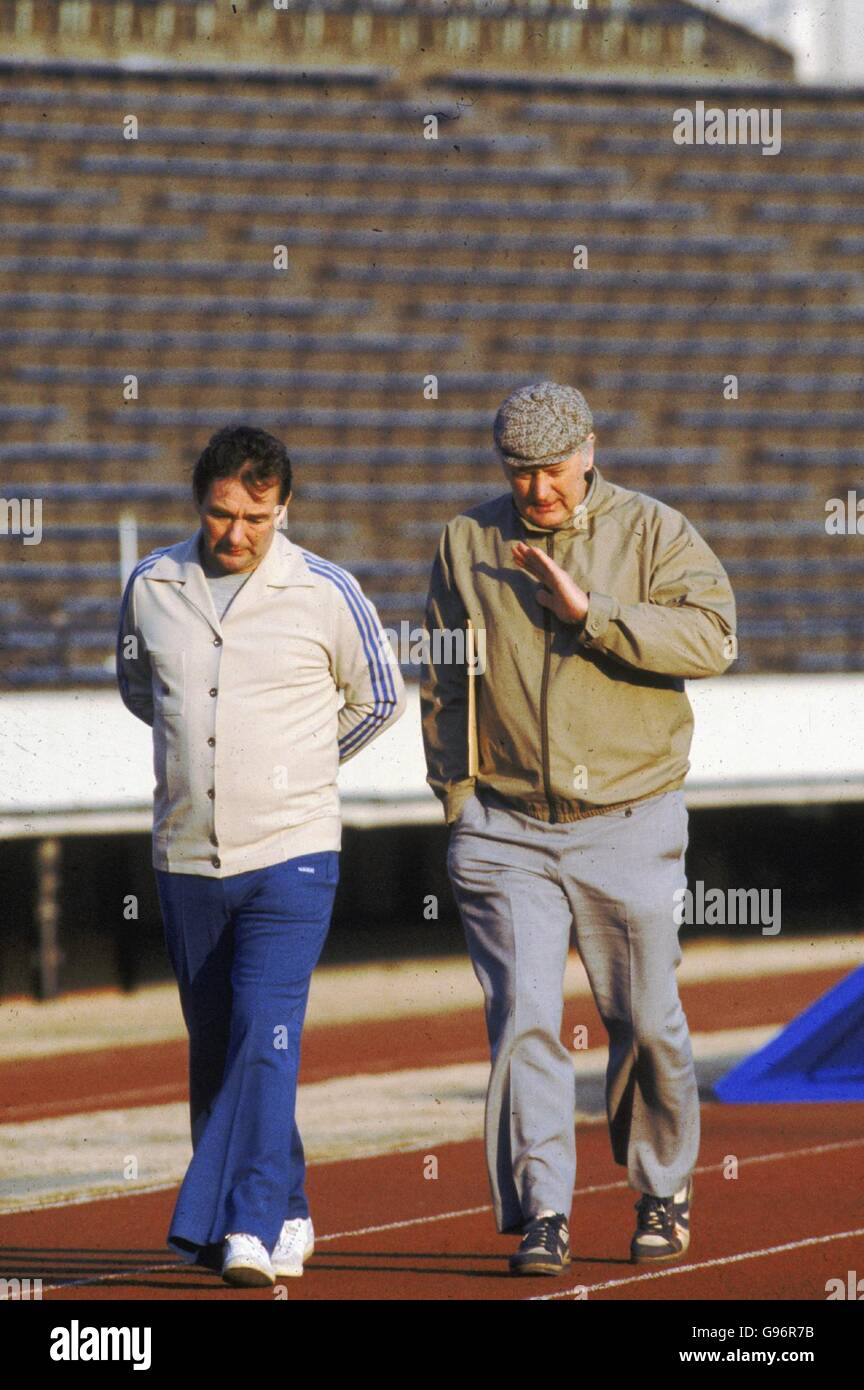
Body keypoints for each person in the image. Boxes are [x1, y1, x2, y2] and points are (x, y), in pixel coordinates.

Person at [420, 381, 737, 1276]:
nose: (537, 491)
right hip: (506, 828)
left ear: (589, 452)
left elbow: (714, 639)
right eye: (519, 473)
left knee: (646, 1017)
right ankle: (545, 1214)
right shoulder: (465, 542)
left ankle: (662, 1185)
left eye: (552, 471)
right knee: (523, 1018)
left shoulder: (654, 532)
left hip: (628, 818)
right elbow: (446, 677)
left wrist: (591, 616)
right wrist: (458, 798)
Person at [116, 424, 405, 1286]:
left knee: (265, 1036)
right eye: (219, 513)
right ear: (198, 502)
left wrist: (297, 771)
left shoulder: (325, 591)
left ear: (284, 509)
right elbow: (143, 691)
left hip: (293, 854)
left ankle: (239, 1228)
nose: (234, 533)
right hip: (185, 856)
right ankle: (289, 1205)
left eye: (255, 516)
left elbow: (379, 697)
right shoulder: (152, 585)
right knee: (219, 1048)